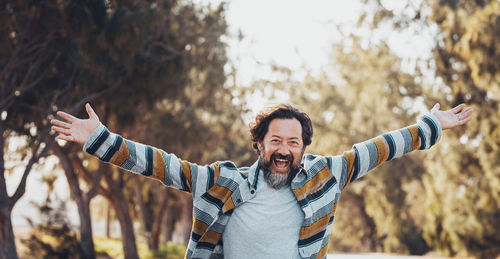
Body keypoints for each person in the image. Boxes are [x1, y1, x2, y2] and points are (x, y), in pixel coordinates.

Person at [51, 102, 473, 259]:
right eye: (276, 140)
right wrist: (102, 141)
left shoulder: (327, 176)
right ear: (260, 144)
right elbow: (163, 165)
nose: (285, 149)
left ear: (304, 148)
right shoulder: (224, 182)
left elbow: (379, 147)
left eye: (293, 141)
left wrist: (429, 125)